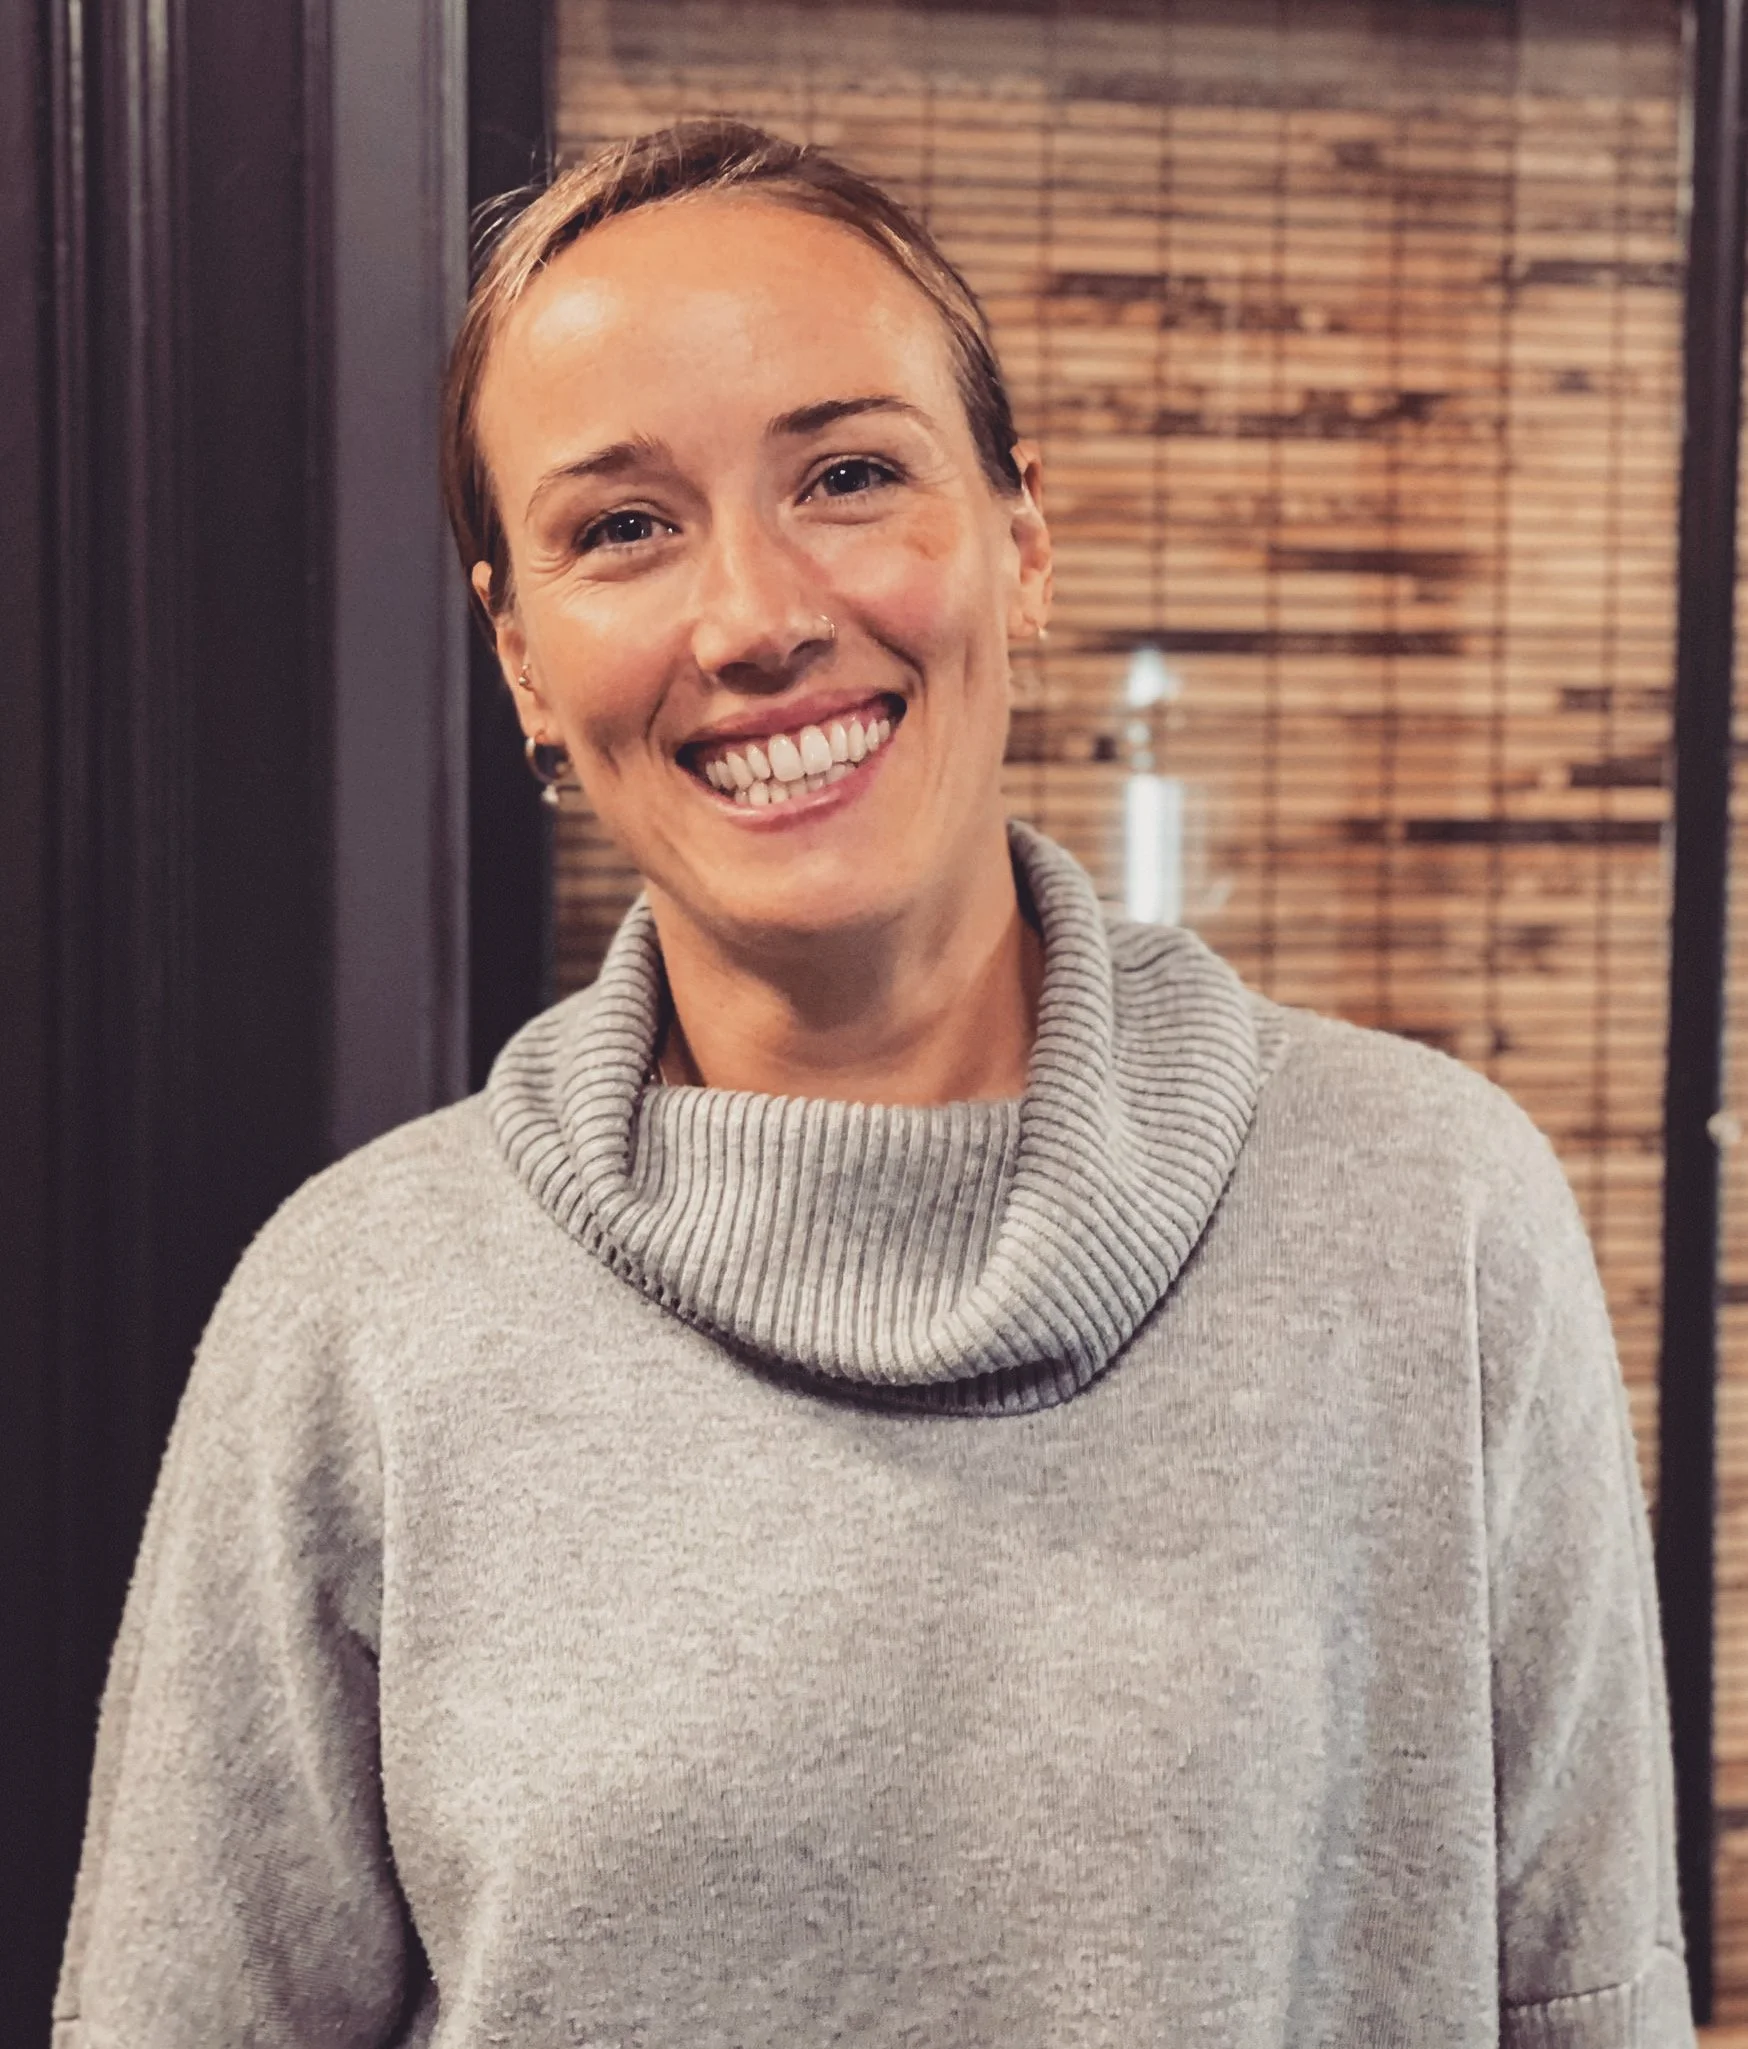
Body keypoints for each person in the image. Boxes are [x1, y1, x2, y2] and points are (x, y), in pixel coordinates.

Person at [55, 119, 1693, 2047]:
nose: (752, 617)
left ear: (1022, 535)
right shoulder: (358, 1313)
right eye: (621, 527)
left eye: (847, 473)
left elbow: (1585, 2003)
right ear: (518, 655)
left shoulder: (1435, 1222)